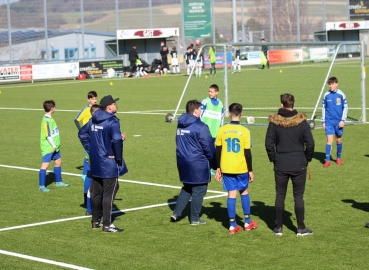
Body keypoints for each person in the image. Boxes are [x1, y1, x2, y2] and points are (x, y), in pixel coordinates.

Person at [265, 93, 315, 237]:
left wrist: (274, 158)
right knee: (298, 196)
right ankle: (300, 228)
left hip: (281, 163)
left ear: (282, 105)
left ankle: (278, 227)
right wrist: (306, 158)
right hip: (298, 163)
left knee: (280, 195)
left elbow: (268, 144)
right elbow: (310, 143)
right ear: (293, 104)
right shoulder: (302, 122)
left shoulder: (274, 122)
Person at [215, 103, 258, 234]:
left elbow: (217, 149)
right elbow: (247, 152)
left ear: (229, 114)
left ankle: (233, 225)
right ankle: (247, 222)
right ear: (242, 114)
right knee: (244, 192)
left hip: (227, 167)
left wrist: (218, 168)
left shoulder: (222, 129)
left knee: (231, 194)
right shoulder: (245, 131)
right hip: (241, 167)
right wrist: (250, 170)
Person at [171, 100, 215, 225]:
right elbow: (208, 146)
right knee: (199, 189)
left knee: (187, 187)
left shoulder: (180, 124)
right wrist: (213, 161)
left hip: (182, 160)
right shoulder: (200, 126)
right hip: (198, 162)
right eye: (200, 109)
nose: (201, 111)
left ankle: (176, 213)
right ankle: (194, 219)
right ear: (196, 110)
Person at [88, 95, 128, 233]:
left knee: (96, 192)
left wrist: (91, 150)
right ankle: (107, 225)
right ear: (109, 107)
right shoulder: (112, 121)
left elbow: (82, 134)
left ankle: (95, 221)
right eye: (114, 104)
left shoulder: (93, 119)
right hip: (108, 162)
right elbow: (116, 140)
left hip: (95, 161)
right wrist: (118, 157)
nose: (116, 105)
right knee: (108, 194)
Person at [39, 100, 69, 192]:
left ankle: (58, 181)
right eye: (54, 107)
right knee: (45, 165)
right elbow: (48, 135)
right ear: (52, 108)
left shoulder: (50, 118)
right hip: (49, 147)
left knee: (58, 161)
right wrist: (53, 145)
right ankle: (41, 186)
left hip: (55, 146)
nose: (55, 108)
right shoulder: (46, 121)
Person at [74, 91, 98, 205]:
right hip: (88, 137)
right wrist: (81, 130)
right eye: (92, 99)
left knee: (88, 156)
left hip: (95, 136)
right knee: (88, 155)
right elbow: (76, 119)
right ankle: (86, 173)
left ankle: (86, 173)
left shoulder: (97, 109)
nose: (94, 100)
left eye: (95, 99)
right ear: (88, 100)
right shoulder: (86, 109)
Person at [78, 104, 101, 215]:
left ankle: (90, 207)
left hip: (93, 154)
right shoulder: (92, 123)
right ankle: (90, 207)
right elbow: (81, 134)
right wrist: (89, 148)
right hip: (94, 155)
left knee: (90, 178)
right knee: (93, 180)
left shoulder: (94, 123)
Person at [322, 76, 348, 168]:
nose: (331, 86)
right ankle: (327, 160)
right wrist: (323, 121)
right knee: (329, 141)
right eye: (329, 84)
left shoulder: (341, 95)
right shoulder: (326, 95)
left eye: (332, 84)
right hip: (329, 122)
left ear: (336, 84)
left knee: (338, 139)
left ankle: (338, 158)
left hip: (338, 122)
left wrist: (343, 120)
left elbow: (345, 107)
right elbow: (323, 108)